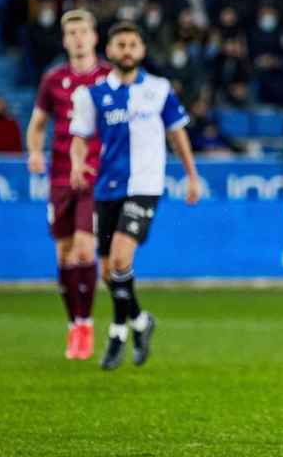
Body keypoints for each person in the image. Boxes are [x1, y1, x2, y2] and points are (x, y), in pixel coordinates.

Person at [68, 21, 201, 370]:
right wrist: (77, 164)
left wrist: (192, 176)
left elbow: (178, 134)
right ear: (109, 51)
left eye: (133, 44)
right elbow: (79, 137)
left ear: (142, 50)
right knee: (108, 272)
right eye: (120, 44)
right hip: (106, 188)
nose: (126, 50)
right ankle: (141, 321)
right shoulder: (92, 94)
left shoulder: (159, 89)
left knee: (121, 258)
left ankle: (116, 332)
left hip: (144, 186)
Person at [26, 9, 113, 360]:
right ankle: (73, 323)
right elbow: (37, 123)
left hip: (96, 175)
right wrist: (34, 152)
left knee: (83, 249)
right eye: (72, 33)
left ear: (94, 37)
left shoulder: (109, 77)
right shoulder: (53, 80)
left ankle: (87, 323)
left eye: (83, 31)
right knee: (63, 253)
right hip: (60, 174)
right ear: (65, 40)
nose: (78, 38)